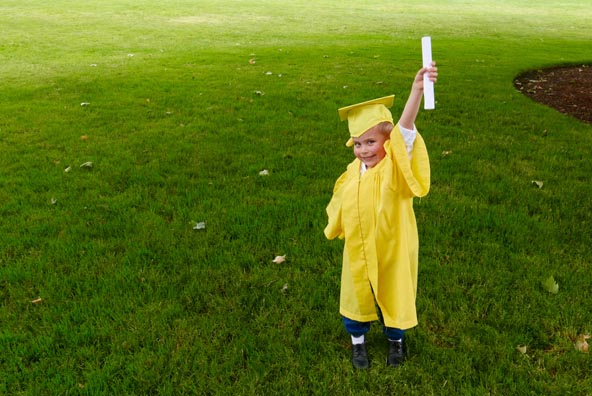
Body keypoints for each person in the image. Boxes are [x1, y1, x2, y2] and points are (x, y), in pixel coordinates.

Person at [324, 62, 438, 369]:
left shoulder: (394, 170)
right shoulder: (351, 173)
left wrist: (416, 92)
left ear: (388, 143)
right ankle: (357, 344)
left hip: (392, 245)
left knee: (395, 289)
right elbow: (339, 202)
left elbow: (406, 133)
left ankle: (395, 341)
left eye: (371, 142)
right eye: (358, 144)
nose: (363, 150)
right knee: (355, 294)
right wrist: (336, 225)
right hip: (359, 247)